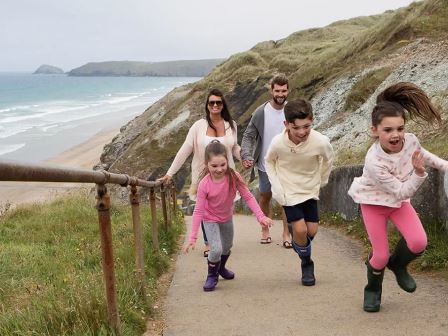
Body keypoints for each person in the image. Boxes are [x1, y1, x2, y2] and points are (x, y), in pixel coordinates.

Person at [348, 82, 448, 313]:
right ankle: (373, 289)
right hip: (374, 204)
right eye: (388, 130)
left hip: (397, 204)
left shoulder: (410, 140)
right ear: (375, 130)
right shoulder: (374, 161)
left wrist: (445, 166)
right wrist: (420, 173)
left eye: (400, 128)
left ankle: (398, 265)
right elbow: (403, 191)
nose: (396, 135)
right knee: (380, 255)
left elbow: (424, 155)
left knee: (419, 242)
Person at [159, 89, 240, 257]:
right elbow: (185, 150)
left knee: (223, 206)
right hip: (202, 175)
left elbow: (234, 148)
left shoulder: (230, 124)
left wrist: (245, 158)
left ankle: (221, 241)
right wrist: (170, 173)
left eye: (218, 102)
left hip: (225, 173)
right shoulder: (198, 126)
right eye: (212, 102)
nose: (215, 105)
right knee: (204, 208)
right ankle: (209, 243)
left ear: (223, 104)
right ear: (207, 105)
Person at [183, 141, 273, 291]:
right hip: (209, 219)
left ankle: (221, 268)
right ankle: (212, 275)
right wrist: (192, 237)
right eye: (214, 166)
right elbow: (198, 211)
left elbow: (248, 196)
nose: (219, 169)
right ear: (207, 164)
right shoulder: (204, 184)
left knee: (227, 247)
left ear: (227, 161)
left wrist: (261, 217)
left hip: (226, 218)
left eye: (223, 165)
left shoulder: (233, 176)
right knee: (216, 249)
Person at [265, 99, 334, 286]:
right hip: (288, 192)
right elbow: (269, 161)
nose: (302, 132)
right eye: (296, 128)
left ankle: (299, 244)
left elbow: (329, 159)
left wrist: (322, 179)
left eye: (307, 126)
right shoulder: (278, 143)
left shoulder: (320, 141)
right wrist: (277, 188)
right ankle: (306, 263)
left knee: (311, 231)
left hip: (310, 189)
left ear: (312, 120)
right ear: (286, 124)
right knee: (301, 229)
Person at [241, 74, 293, 247]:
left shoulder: (292, 110)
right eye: (277, 90)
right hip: (264, 165)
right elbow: (249, 135)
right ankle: (265, 228)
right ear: (271, 90)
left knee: (286, 199)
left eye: (283, 91)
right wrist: (247, 155)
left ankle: (287, 233)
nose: (280, 94)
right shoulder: (261, 112)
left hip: (286, 164)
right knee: (265, 196)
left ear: (288, 91)